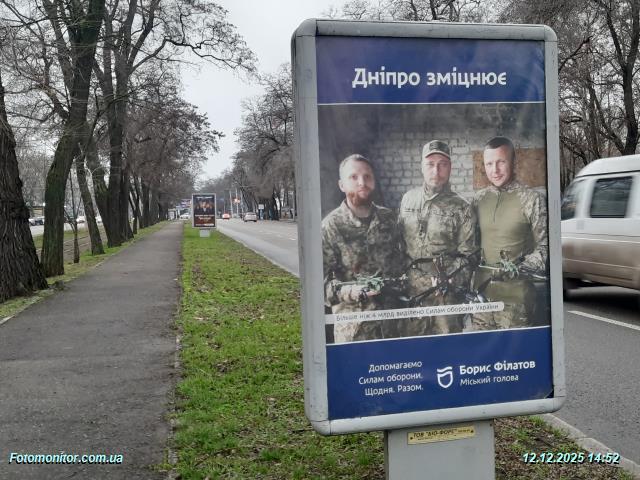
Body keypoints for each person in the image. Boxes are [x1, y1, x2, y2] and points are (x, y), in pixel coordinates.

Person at [398, 140, 477, 335]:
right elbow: (399, 244)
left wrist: (449, 278)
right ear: (421, 167)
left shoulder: (462, 207)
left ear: (450, 168)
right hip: (413, 294)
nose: (436, 171)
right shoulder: (408, 199)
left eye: (442, 164)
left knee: (447, 346)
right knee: (414, 346)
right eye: (430, 164)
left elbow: (468, 255)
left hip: (445, 294)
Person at [322, 154, 404, 343]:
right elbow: (320, 286)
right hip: (355, 334)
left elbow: (403, 264)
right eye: (354, 177)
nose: (362, 182)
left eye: (367, 176)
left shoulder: (390, 219)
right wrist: (353, 291)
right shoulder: (330, 227)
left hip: (393, 329)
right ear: (341, 185)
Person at [472, 136, 548, 330]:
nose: (495, 170)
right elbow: (469, 245)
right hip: (482, 299)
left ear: (514, 162)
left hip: (515, 302)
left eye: (501, 162)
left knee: (512, 351)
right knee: (482, 349)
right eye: (489, 164)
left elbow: (546, 248)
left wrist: (518, 267)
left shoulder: (532, 199)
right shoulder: (478, 200)